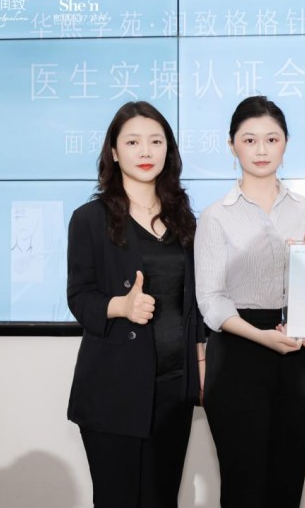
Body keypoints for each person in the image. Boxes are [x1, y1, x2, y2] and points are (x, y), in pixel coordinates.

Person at [65, 101, 206, 508]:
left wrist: (200, 366)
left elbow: (194, 304)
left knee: (163, 500)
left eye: (156, 141)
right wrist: (120, 307)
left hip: (173, 390)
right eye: (132, 142)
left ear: (168, 150)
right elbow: (79, 296)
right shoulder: (90, 219)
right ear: (113, 152)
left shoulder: (184, 219)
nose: (146, 151)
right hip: (114, 389)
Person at [194, 95, 305, 508]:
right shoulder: (216, 216)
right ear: (232, 145)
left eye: (272, 139)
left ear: (286, 143)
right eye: (249, 140)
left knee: (287, 482)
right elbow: (211, 300)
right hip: (237, 353)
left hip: (295, 352)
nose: (261, 150)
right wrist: (261, 336)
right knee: (243, 486)